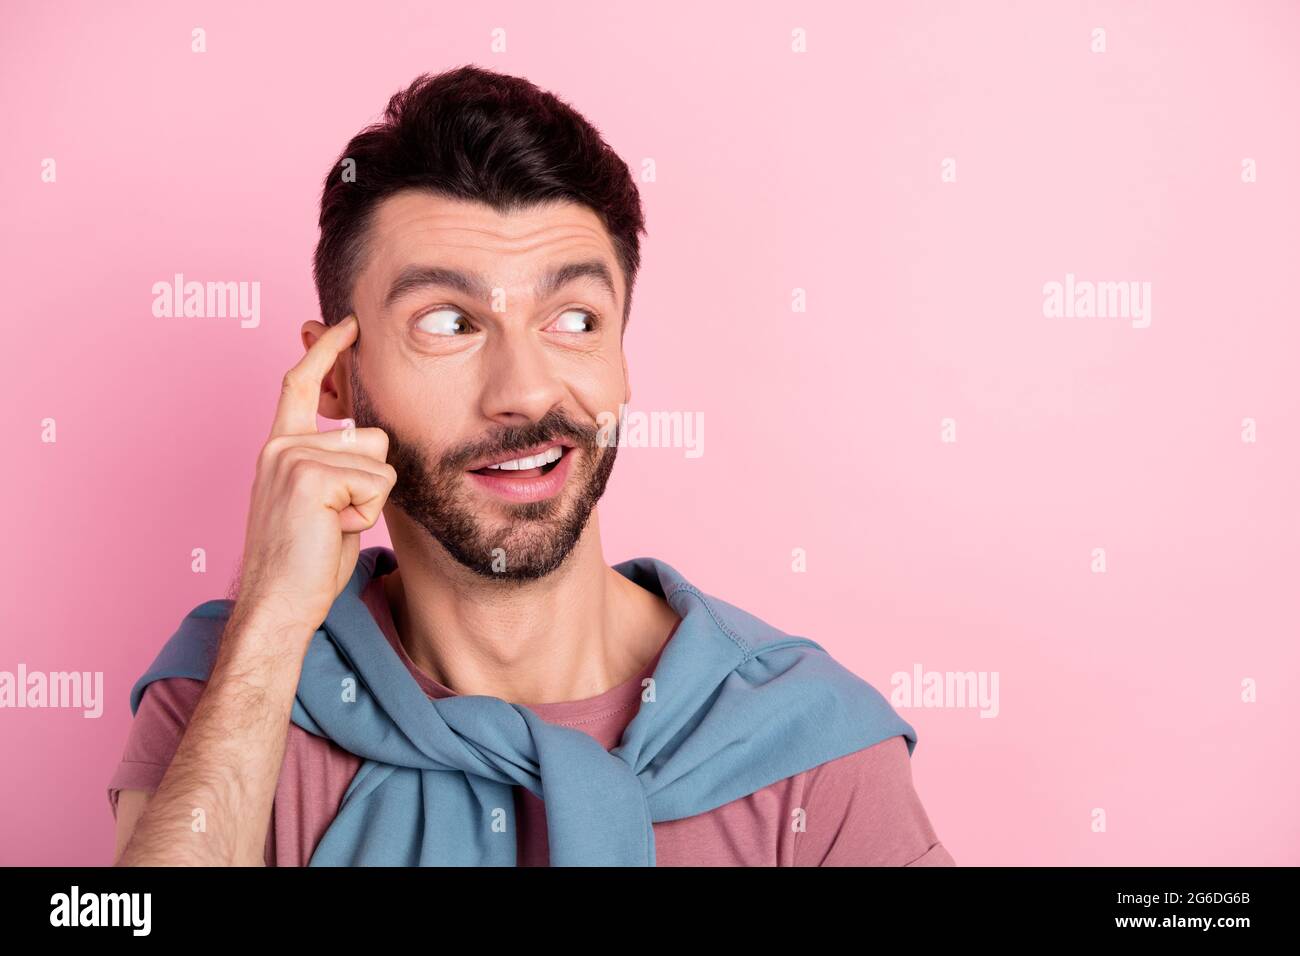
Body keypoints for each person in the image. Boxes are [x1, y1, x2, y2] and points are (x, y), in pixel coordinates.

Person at [109, 64, 954, 867]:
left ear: (622, 359)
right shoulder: (235, 690)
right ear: (335, 375)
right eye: (447, 323)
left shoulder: (808, 741)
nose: (523, 392)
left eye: (576, 320)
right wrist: (269, 623)